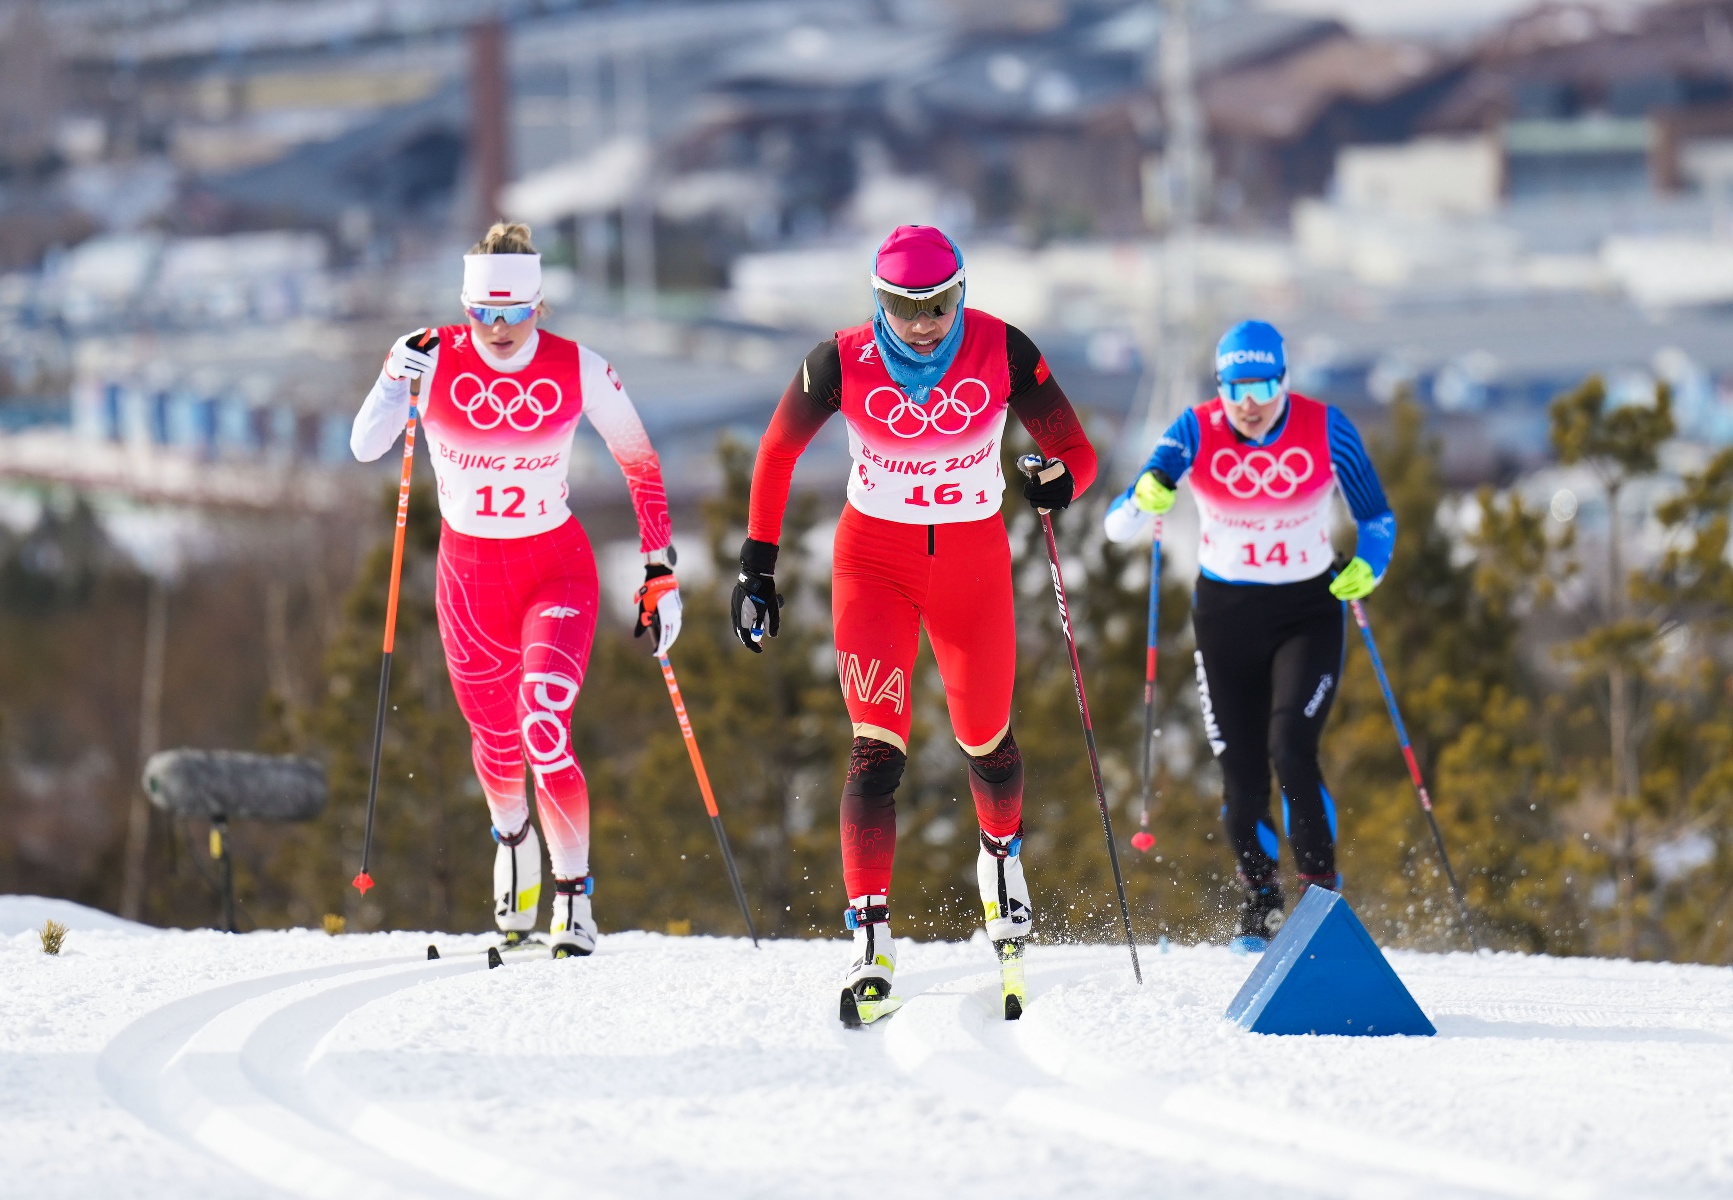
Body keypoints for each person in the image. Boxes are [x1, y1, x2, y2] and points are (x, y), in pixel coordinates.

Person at [731, 224, 1098, 1021]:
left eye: (939, 304)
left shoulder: (1002, 350)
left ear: (961, 293)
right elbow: (775, 451)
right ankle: (870, 939)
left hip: (970, 567)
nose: (924, 321)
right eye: (905, 306)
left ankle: (1000, 864)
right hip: (874, 567)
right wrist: (756, 566)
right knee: (874, 752)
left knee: (986, 743)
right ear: (879, 299)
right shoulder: (840, 359)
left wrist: (1057, 483)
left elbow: (1078, 450)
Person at [350, 222, 680, 957]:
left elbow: (641, 462)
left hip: (553, 570)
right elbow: (365, 445)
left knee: (543, 725)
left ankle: (574, 899)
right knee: (497, 747)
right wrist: (390, 380)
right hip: (467, 581)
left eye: (514, 314)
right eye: (483, 315)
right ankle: (511, 837)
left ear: (540, 306)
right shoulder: (429, 358)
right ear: (466, 307)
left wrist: (660, 571)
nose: (498, 330)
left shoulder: (579, 366)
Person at [1104, 319, 1395, 951]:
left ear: (1284, 380)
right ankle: (1262, 900)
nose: (1250, 403)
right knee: (1240, 776)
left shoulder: (1326, 429)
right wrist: (1145, 495)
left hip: (1307, 612)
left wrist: (1369, 567)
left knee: (1291, 745)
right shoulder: (1194, 430)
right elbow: (1117, 527)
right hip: (1225, 618)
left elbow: (1377, 518)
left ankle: (1321, 896)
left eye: (1263, 385)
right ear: (1220, 387)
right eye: (1236, 387)